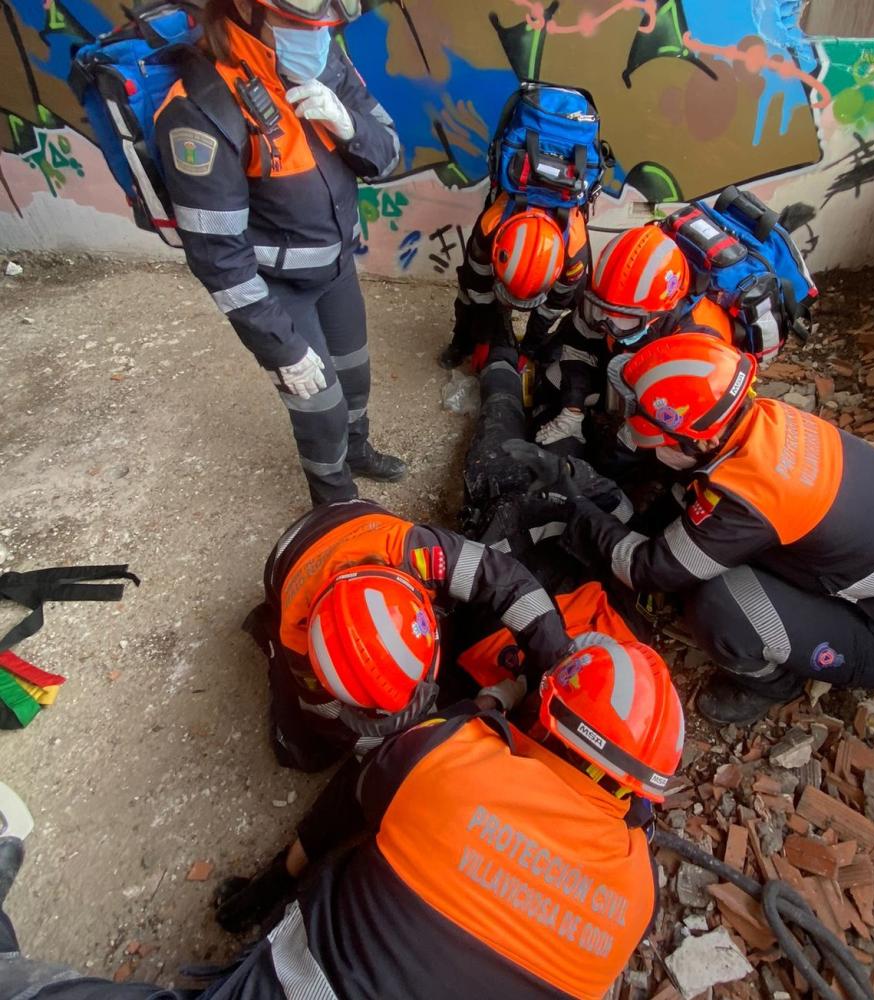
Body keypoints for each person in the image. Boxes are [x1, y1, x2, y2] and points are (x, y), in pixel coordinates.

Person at [0, 639, 684, 999]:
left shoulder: (453, 760)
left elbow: (369, 784)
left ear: (548, 714)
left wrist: (485, 713)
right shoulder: (635, 893)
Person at [510, 333, 874, 725]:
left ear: (703, 437)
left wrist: (576, 505)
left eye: (658, 434)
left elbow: (648, 570)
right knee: (693, 520)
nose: (648, 442)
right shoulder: (760, 421)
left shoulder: (750, 494)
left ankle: (772, 682)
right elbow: (696, 494)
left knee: (718, 602)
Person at [155, 0, 405, 507]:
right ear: (247, 9)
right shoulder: (201, 108)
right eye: (298, 23)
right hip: (276, 290)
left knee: (354, 380)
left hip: (335, 269)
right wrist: (280, 348)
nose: (315, 35)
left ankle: (356, 451)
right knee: (321, 408)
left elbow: (389, 153)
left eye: (324, 25)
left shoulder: (326, 60)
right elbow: (217, 259)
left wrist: (348, 123)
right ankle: (334, 499)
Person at [248, 493, 573, 771]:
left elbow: (508, 582)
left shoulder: (416, 550)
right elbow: (334, 724)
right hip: (285, 559)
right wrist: (414, 736)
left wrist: (556, 661)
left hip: (354, 514)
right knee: (303, 745)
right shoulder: (295, 638)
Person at [535, 225, 737, 452]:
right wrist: (572, 409)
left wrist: (627, 437)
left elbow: (676, 421)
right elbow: (578, 345)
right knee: (552, 380)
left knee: (625, 453)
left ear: (661, 311)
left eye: (624, 320)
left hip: (670, 404)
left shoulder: (695, 341)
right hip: (626, 363)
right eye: (602, 311)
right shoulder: (608, 294)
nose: (607, 324)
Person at [438, 195, 590, 370]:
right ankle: (461, 342)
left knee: (581, 299)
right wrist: (483, 339)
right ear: (497, 252)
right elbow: (478, 288)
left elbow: (552, 307)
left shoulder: (574, 256)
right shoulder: (488, 230)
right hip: (504, 220)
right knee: (468, 287)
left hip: (565, 247)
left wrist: (528, 350)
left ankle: (559, 349)